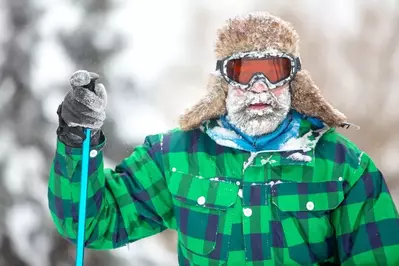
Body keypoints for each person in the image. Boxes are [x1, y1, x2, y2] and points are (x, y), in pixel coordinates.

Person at [48, 12, 399, 265]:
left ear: (293, 80)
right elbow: (91, 223)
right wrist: (77, 141)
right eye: (244, 71)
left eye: (274, 70)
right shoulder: (176, 157)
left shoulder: (343, 166)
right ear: (224, 81)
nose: (259, 87)